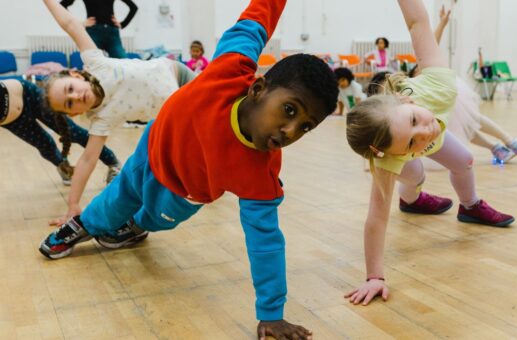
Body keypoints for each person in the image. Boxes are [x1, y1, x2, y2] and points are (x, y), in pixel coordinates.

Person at [39, 0, 338, 339]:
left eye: (305, 126)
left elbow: (265, 243)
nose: (291, 130)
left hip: (185, 194)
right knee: (116, 199)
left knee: (151, 219)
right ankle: (82, 226)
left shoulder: (262, 177)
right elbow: (258, 17)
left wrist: (272, 314)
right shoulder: (230, 67)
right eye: (289, 109)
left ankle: (134, 228)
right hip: (151, 153)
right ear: (257, 89)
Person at [344, 0, 514, 306]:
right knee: (416, 175)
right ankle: (412, 200)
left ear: (406, 101)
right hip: (401, 160)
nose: (425, 133)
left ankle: (470, 206)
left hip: (429, 131)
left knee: (464, 160)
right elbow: (376, 218)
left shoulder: (436, 84)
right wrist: (374, 277)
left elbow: (417, 24)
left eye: (413, 122)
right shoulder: (389, 158)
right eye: (411, 141)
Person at [43, 0, 196, 226]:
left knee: (225, 103)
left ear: (76, 76)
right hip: (177, 112)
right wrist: (73, 205)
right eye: (69, 104)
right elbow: (87, 160)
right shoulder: (101, 120)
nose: (75, 97)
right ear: (74, 114)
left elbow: (70, 24)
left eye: (70, 89)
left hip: (179, 76)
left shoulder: (95, 62)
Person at [416, 5, 517, 163]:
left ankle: (511, 142)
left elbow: (432, 43)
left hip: (444, 92)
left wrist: (443, 23)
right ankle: (497, 149)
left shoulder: (420, 66)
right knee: (463, 128)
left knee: (472, 119)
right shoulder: (408, 87)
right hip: (433, 103)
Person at [0, 79, 119, 185]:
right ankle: (64, 167)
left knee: (73, 133)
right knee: (45, 145)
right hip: (13, 121)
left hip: (26, 94)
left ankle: (113, 164)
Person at [60, 0, 137, 59]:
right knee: (92, 64)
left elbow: (133, 7)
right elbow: (62, 5)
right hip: (94, 32)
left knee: (123, 62)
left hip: (111, 33)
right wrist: (80, 23)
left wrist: (123, 24)